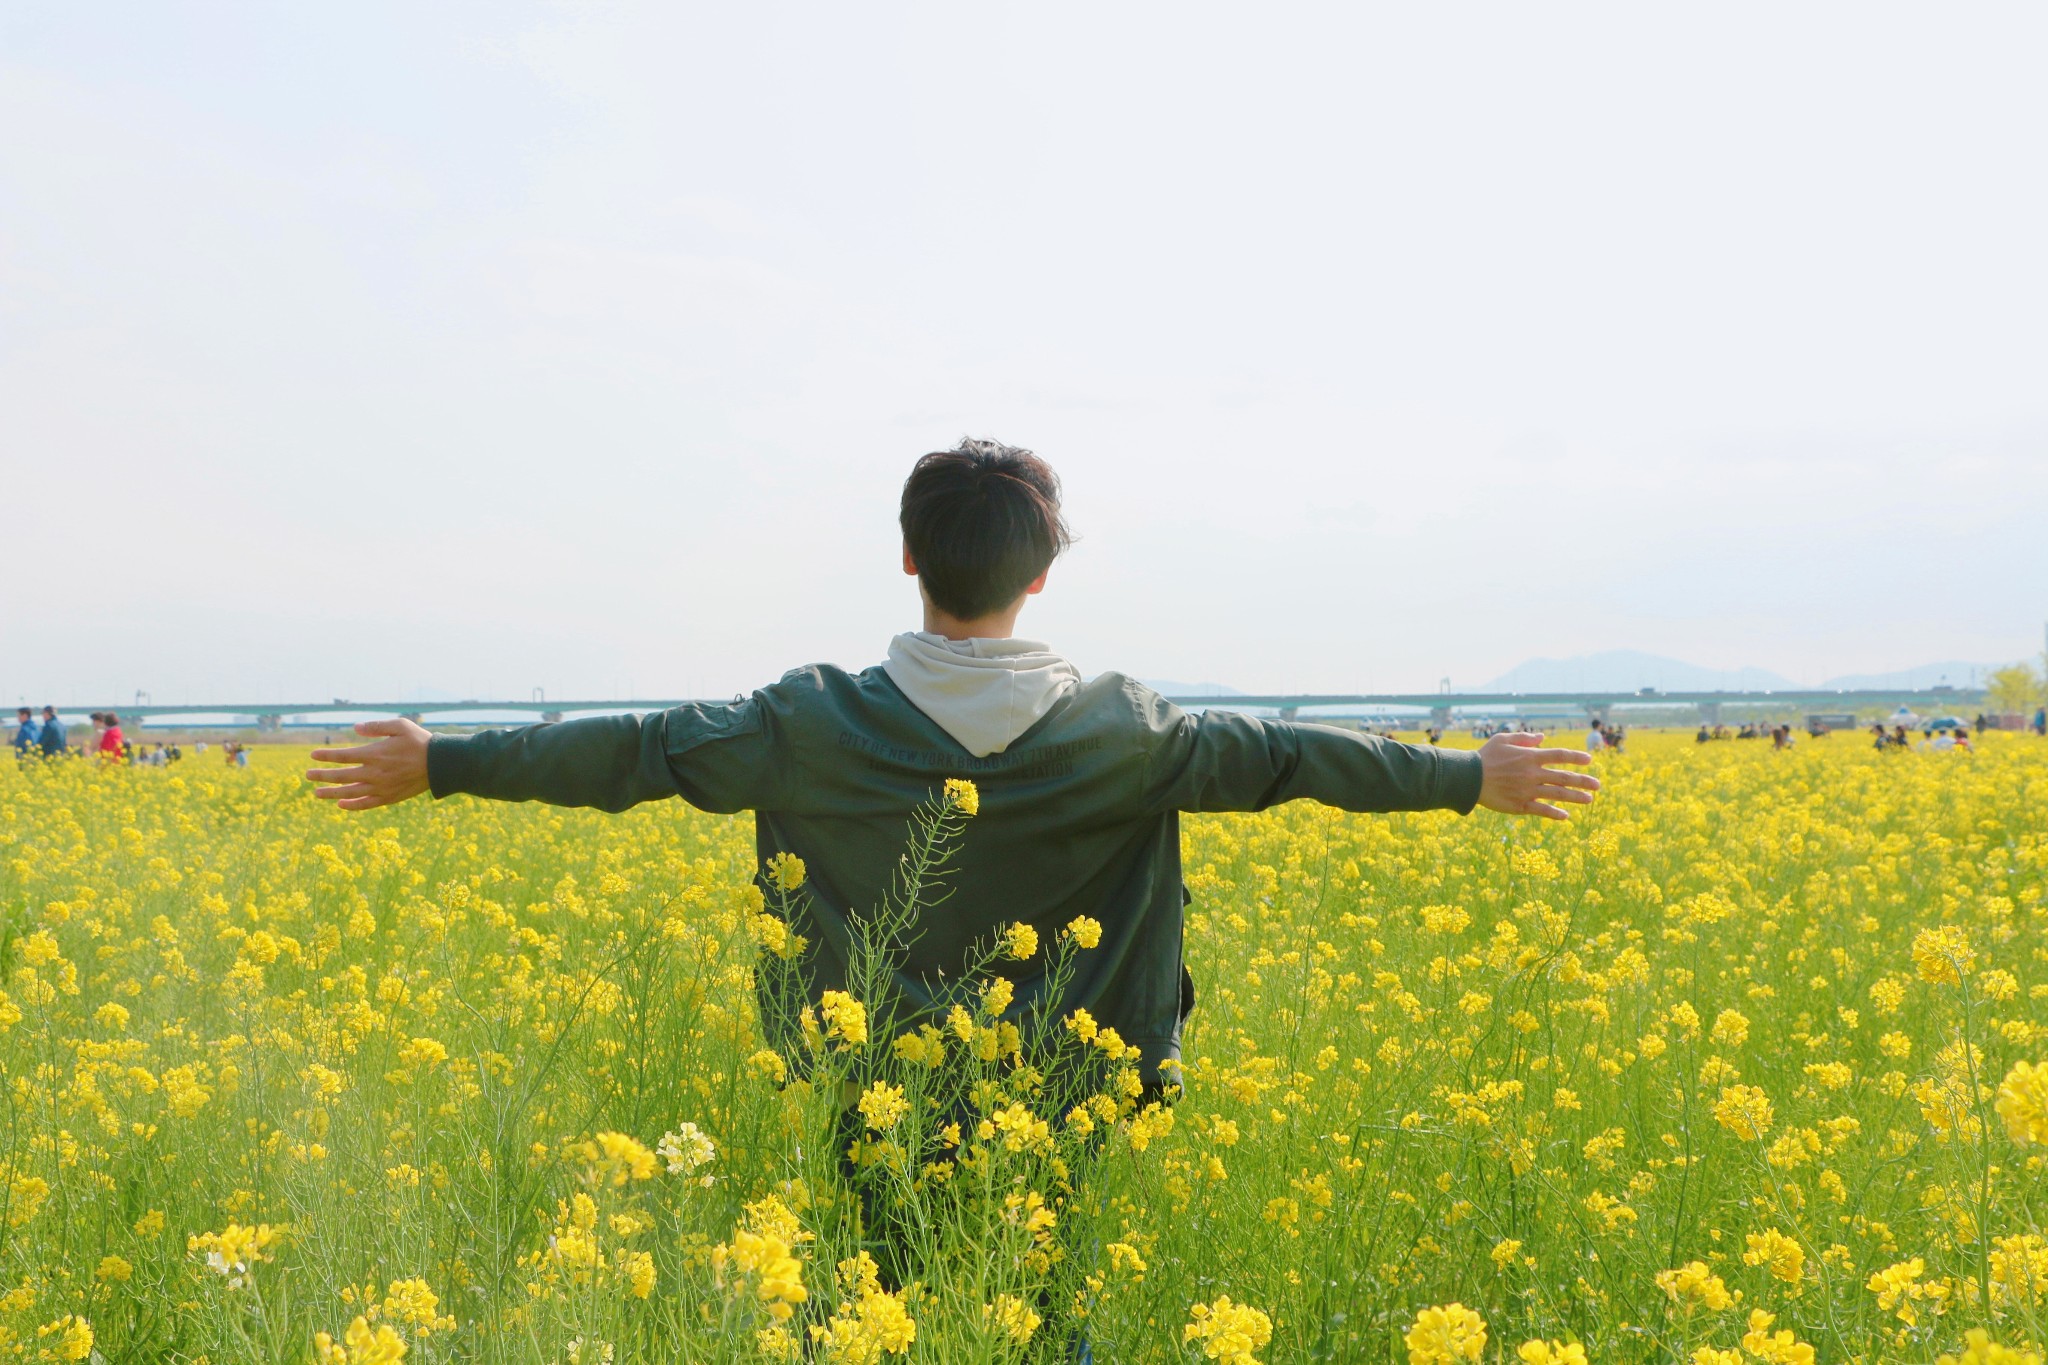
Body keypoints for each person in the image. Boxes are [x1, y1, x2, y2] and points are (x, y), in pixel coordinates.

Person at [303, 438, 1601, 1302]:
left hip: (872, 1085)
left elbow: (639, 751)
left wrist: (445, 760)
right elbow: (1295, 759)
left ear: (911, 558)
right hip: (1069, 1084)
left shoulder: (808, 723)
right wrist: (1470, 777)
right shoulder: (1131, 731)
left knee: (866, 1305)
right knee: (1040, 1306)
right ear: (1041, 576)